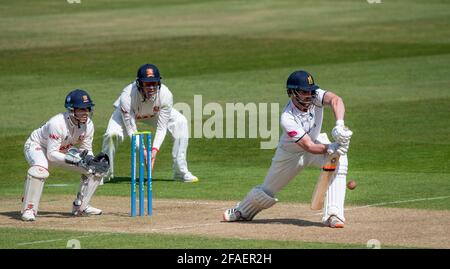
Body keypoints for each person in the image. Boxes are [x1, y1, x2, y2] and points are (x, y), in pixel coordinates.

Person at [223, 70, 353, 228]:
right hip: (291, 155)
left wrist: (339, 123)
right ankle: (242, 211)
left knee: (340, 161)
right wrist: (331, 146)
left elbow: (336, 99)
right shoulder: (287, 117)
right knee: (268, 189)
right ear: (292, 92)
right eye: (305, 92)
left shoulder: (315, 96)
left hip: (315, 143)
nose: (310, 95)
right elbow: (308, 146)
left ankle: (333, 214)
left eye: (311, 91)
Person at [22, 89, 110, 221]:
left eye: (87, 109)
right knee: (40, 168)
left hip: (63, 150)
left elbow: (86, 149)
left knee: (94, 170)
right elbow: (51, 155)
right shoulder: (57, 123)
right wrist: (75, 160)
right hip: (38, 146)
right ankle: (29, 209)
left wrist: (90, 161)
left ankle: (81, 206)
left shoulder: (89, 125)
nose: (86, 113)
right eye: (81, 109)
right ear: (71, 110)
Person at [101, 63, 198, 184]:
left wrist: (154, 151)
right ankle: (104, 173)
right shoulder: (127, 96)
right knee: (111, 135)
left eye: (154, 83)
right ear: (139, 84)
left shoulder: (166, 95)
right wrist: (144, 152)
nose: (151, 88)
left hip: (153, 113)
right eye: (147, 84)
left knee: (180, 121)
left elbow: (161, 128)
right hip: (130, 114)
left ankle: (180, 172)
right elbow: (132, 131)